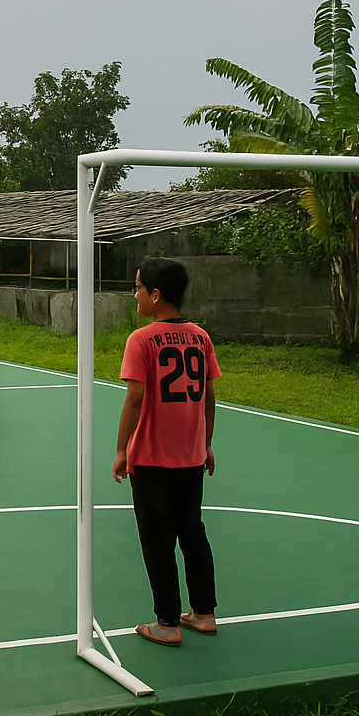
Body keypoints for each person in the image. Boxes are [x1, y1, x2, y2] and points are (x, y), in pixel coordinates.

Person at [112, 257, 220, 647]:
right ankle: (204, 613)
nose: (135, 294)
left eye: (138, 288)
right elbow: (209, 396)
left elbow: (135, 398)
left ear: (155, 295)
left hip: (153, 460)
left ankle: (167, 623)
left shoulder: (141, 339)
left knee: (158, 541)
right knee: (192, 534)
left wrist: (122, 449)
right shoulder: (201, 337)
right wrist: (206, 443)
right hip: (191, 458)